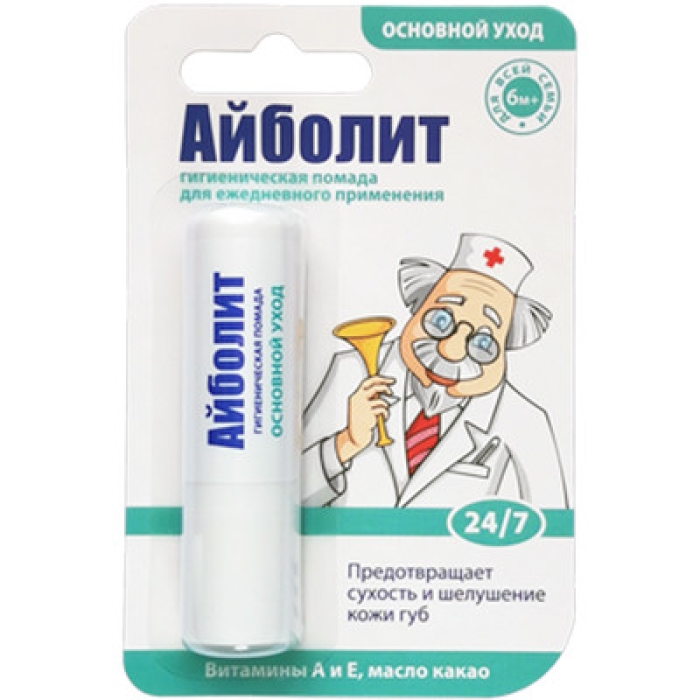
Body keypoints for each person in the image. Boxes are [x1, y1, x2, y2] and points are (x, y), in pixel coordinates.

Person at [302, 233, 569, 508]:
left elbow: (552, 525)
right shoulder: (350, 370)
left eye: (483, 343)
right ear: (416, 307)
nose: (451, 350)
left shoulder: (527, 422)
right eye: (441, 320)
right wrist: (345, 443)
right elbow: (285, 500)